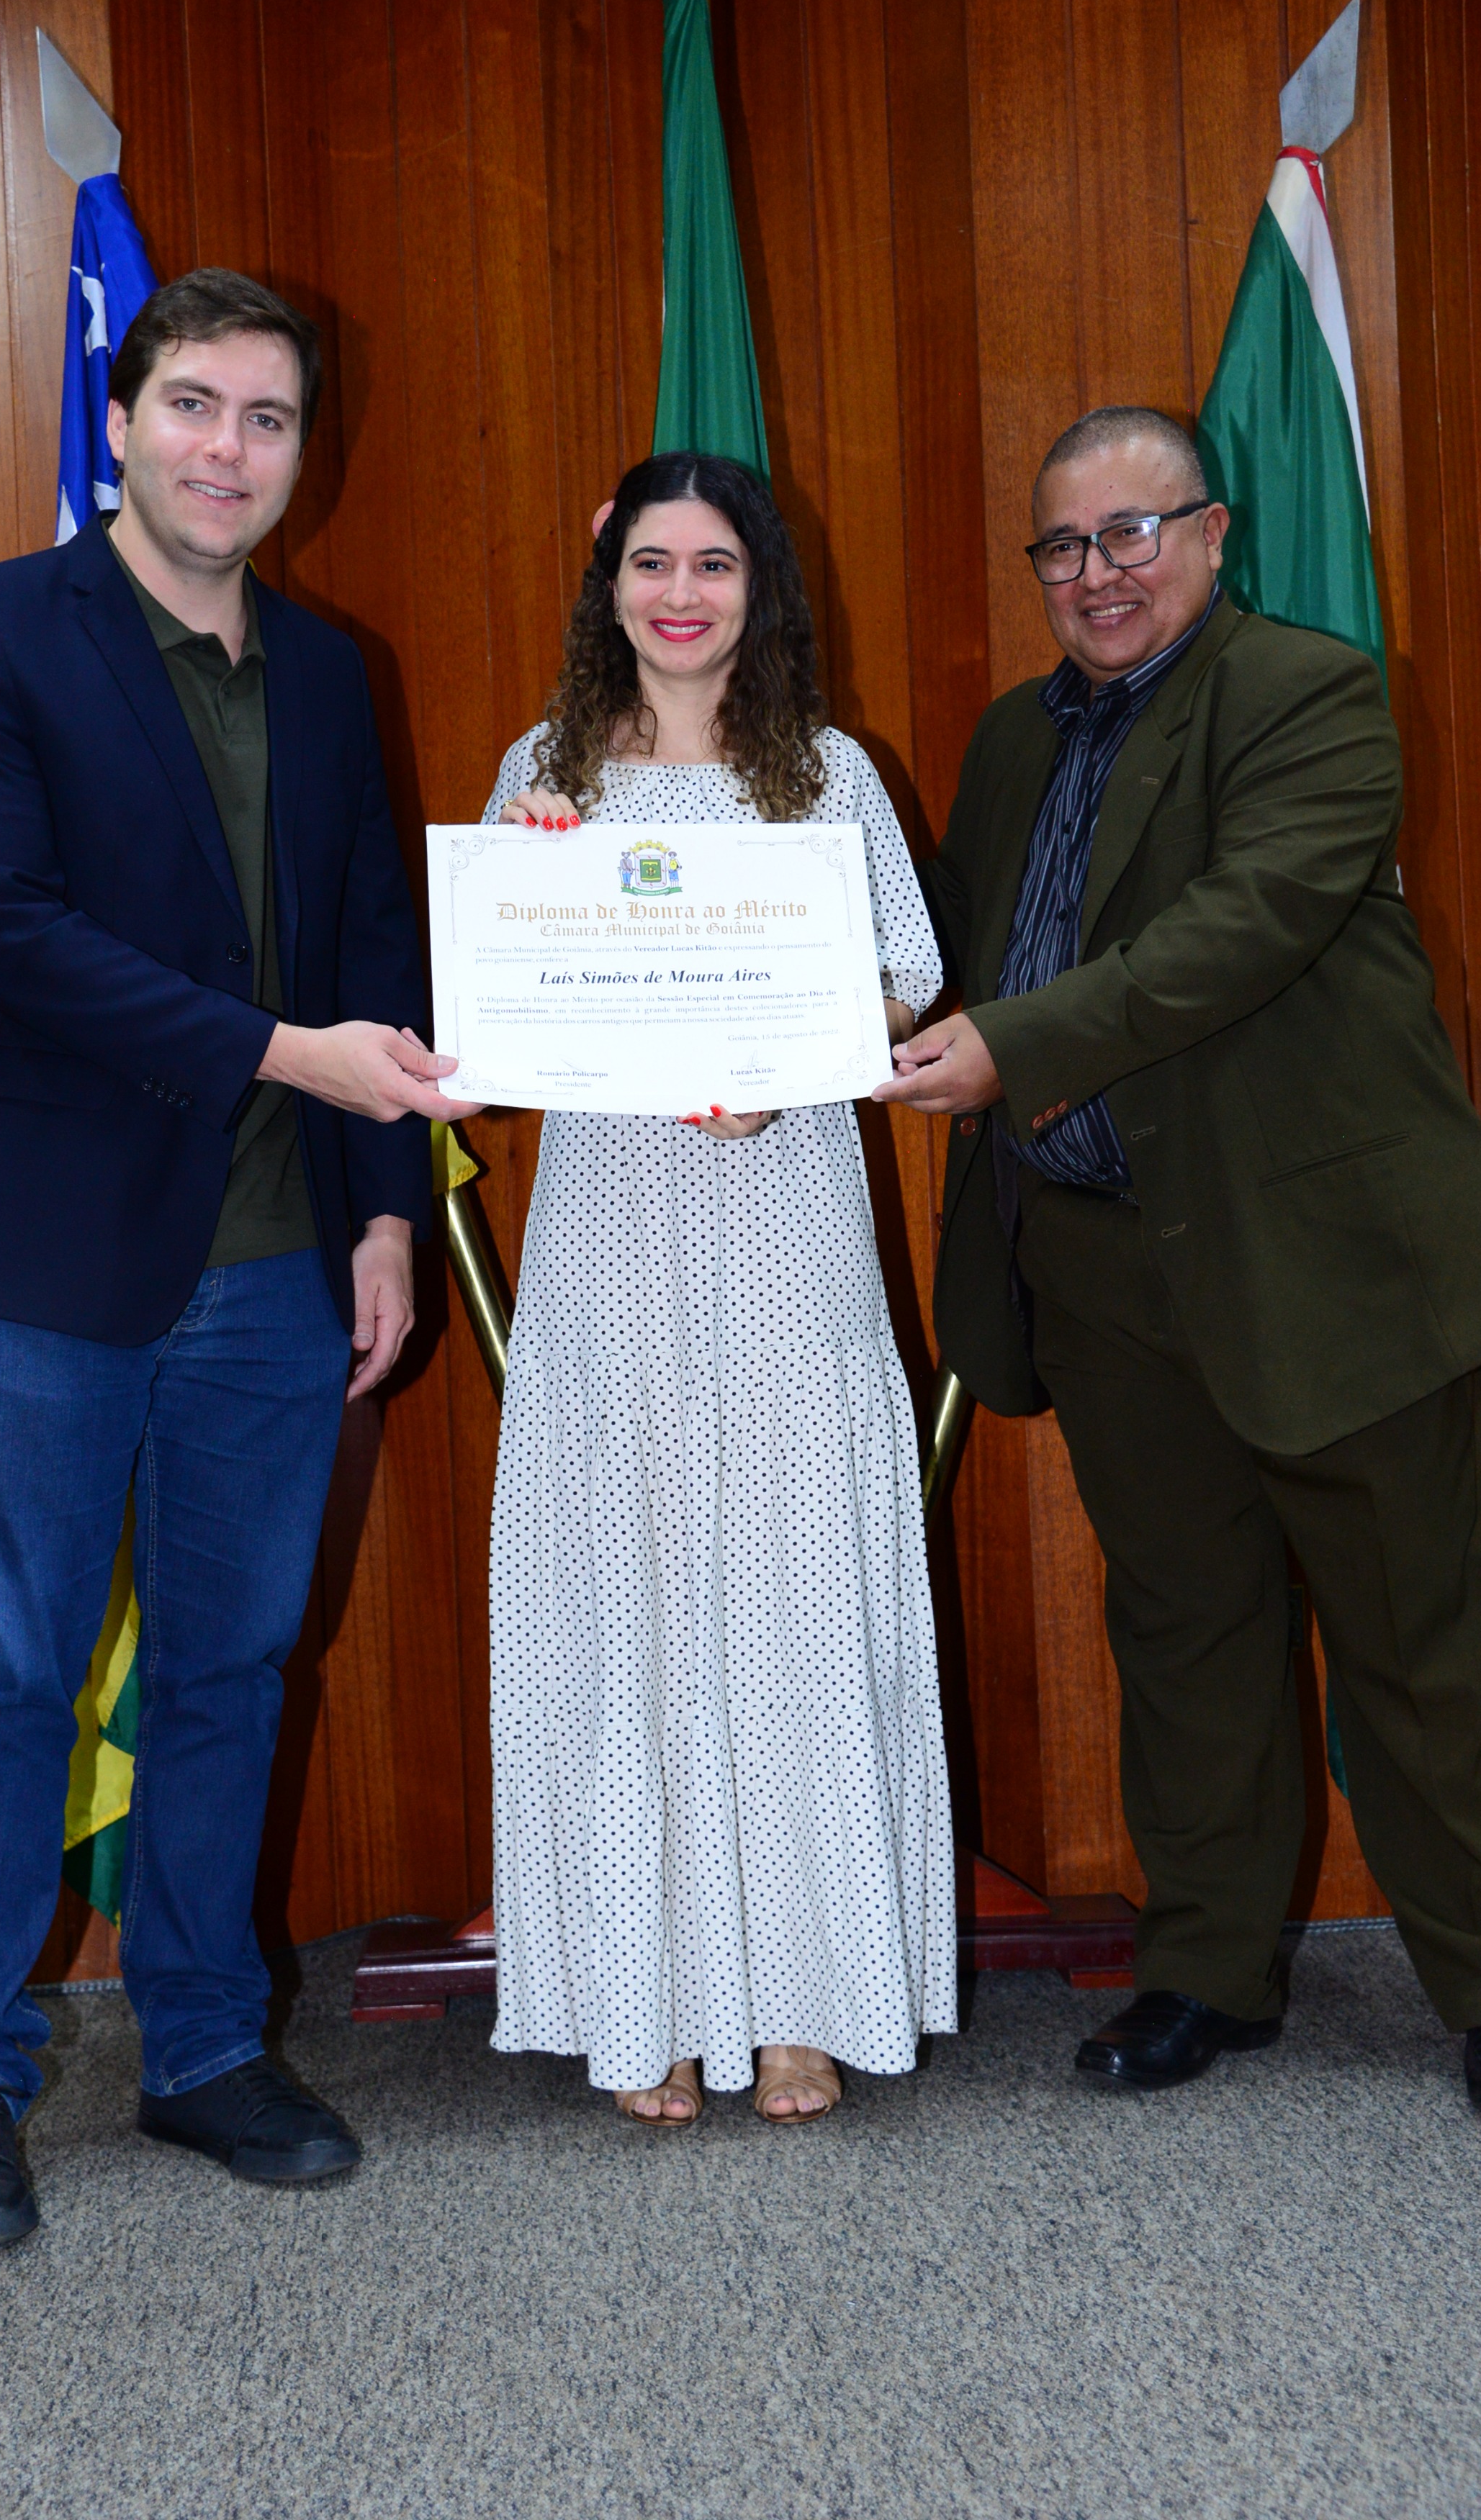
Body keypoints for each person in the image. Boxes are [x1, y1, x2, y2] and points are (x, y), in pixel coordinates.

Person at [0, 267, 473, 2256]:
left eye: (269, 419)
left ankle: (207, 2046)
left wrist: (382, 1210)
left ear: (303, 453)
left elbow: (372, 943)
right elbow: (6, 922)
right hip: (48, 1260)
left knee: (230, 1667)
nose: (230, 449)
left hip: (279, 1262)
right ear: (121, 418)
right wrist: (284, 1055)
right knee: (14, 1671)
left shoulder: (329, 670)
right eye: (197, 406)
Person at [876, 403, 1481, 2119]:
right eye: (1062, 546)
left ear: (1213, 533)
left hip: (1323, 1258)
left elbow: (1234, 930)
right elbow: (942, 947)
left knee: (1425, 1639)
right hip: (1100, 1267)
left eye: (1132, 532)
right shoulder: (1011, 739)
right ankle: (1205, 1972)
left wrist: (1012, 1045)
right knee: (1185, 1633)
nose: (1096, 573)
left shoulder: (1307, 693)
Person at [482, 451, 958, 2128]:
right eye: (651, 564)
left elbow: (905, 974)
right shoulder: (541, 771)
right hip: (609, 1231)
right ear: (607, 582)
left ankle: (807, 1995)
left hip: (781, 1216)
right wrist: (526, 892)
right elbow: (492, 1002)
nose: (679, 595)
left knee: (789, 1585)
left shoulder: (825, 772)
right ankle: (650, 1999)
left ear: (761, 589)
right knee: (627, 1591)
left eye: (713, 566)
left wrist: (781, 1062)